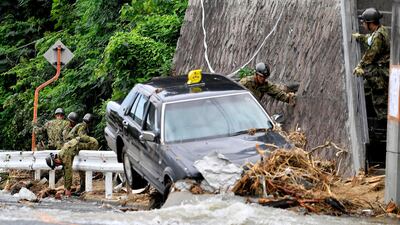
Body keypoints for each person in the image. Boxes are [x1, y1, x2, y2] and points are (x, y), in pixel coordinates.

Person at [46, 113, 99, 197]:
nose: (58, 166)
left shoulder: (64, 156)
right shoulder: (61, 154)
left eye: (56, 165)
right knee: (82, 169)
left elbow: (68, 173)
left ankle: (95, 174)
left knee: (93, 147)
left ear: (55, 161)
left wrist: (67, 190)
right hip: (78, 144)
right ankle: (83, 186)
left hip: (88, 143)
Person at [352, 8, 390, 120]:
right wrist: (362, 37)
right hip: (380, 70)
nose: (363, 24)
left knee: (379, 100)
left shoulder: (378, 36)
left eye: (364, 22)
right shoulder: (381, 30)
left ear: (370, 23)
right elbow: (370, 40)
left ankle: (385, 128)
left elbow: (370, 55)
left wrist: (359, 66)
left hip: (381, 74)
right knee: (365, 89)